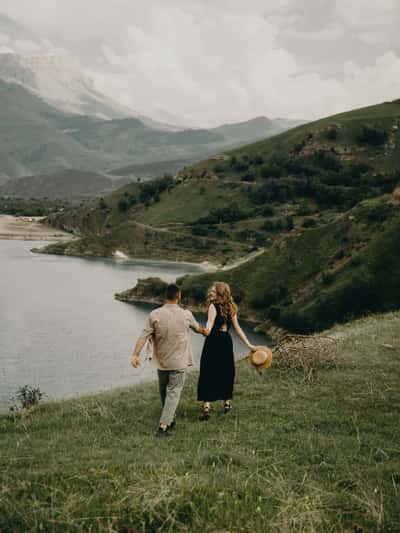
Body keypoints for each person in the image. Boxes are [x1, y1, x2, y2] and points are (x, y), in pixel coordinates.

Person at [131, 283, 205, 437]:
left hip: (161, 362)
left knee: (165, 393)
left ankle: (170, 420)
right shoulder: (186, 314)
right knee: (173, 393)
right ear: (179, 297)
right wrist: (208, 332)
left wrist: (135, 355)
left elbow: (143, 336)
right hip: (178, 362)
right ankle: (163, 427)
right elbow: (199, 330)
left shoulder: (154, 314)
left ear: (165, 296)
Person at [197, 281, 257, 420]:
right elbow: (238, 329)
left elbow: (209, 328)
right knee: (226, 371)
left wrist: (198, 329)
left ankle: (207, 406)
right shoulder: (232, 306)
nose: (210, 293)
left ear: (219, 293)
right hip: (225, 342)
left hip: (212, 342)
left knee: (208, 371)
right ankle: (227, 404)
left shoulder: (212, 306)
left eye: (213, 291)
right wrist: (250, 345)